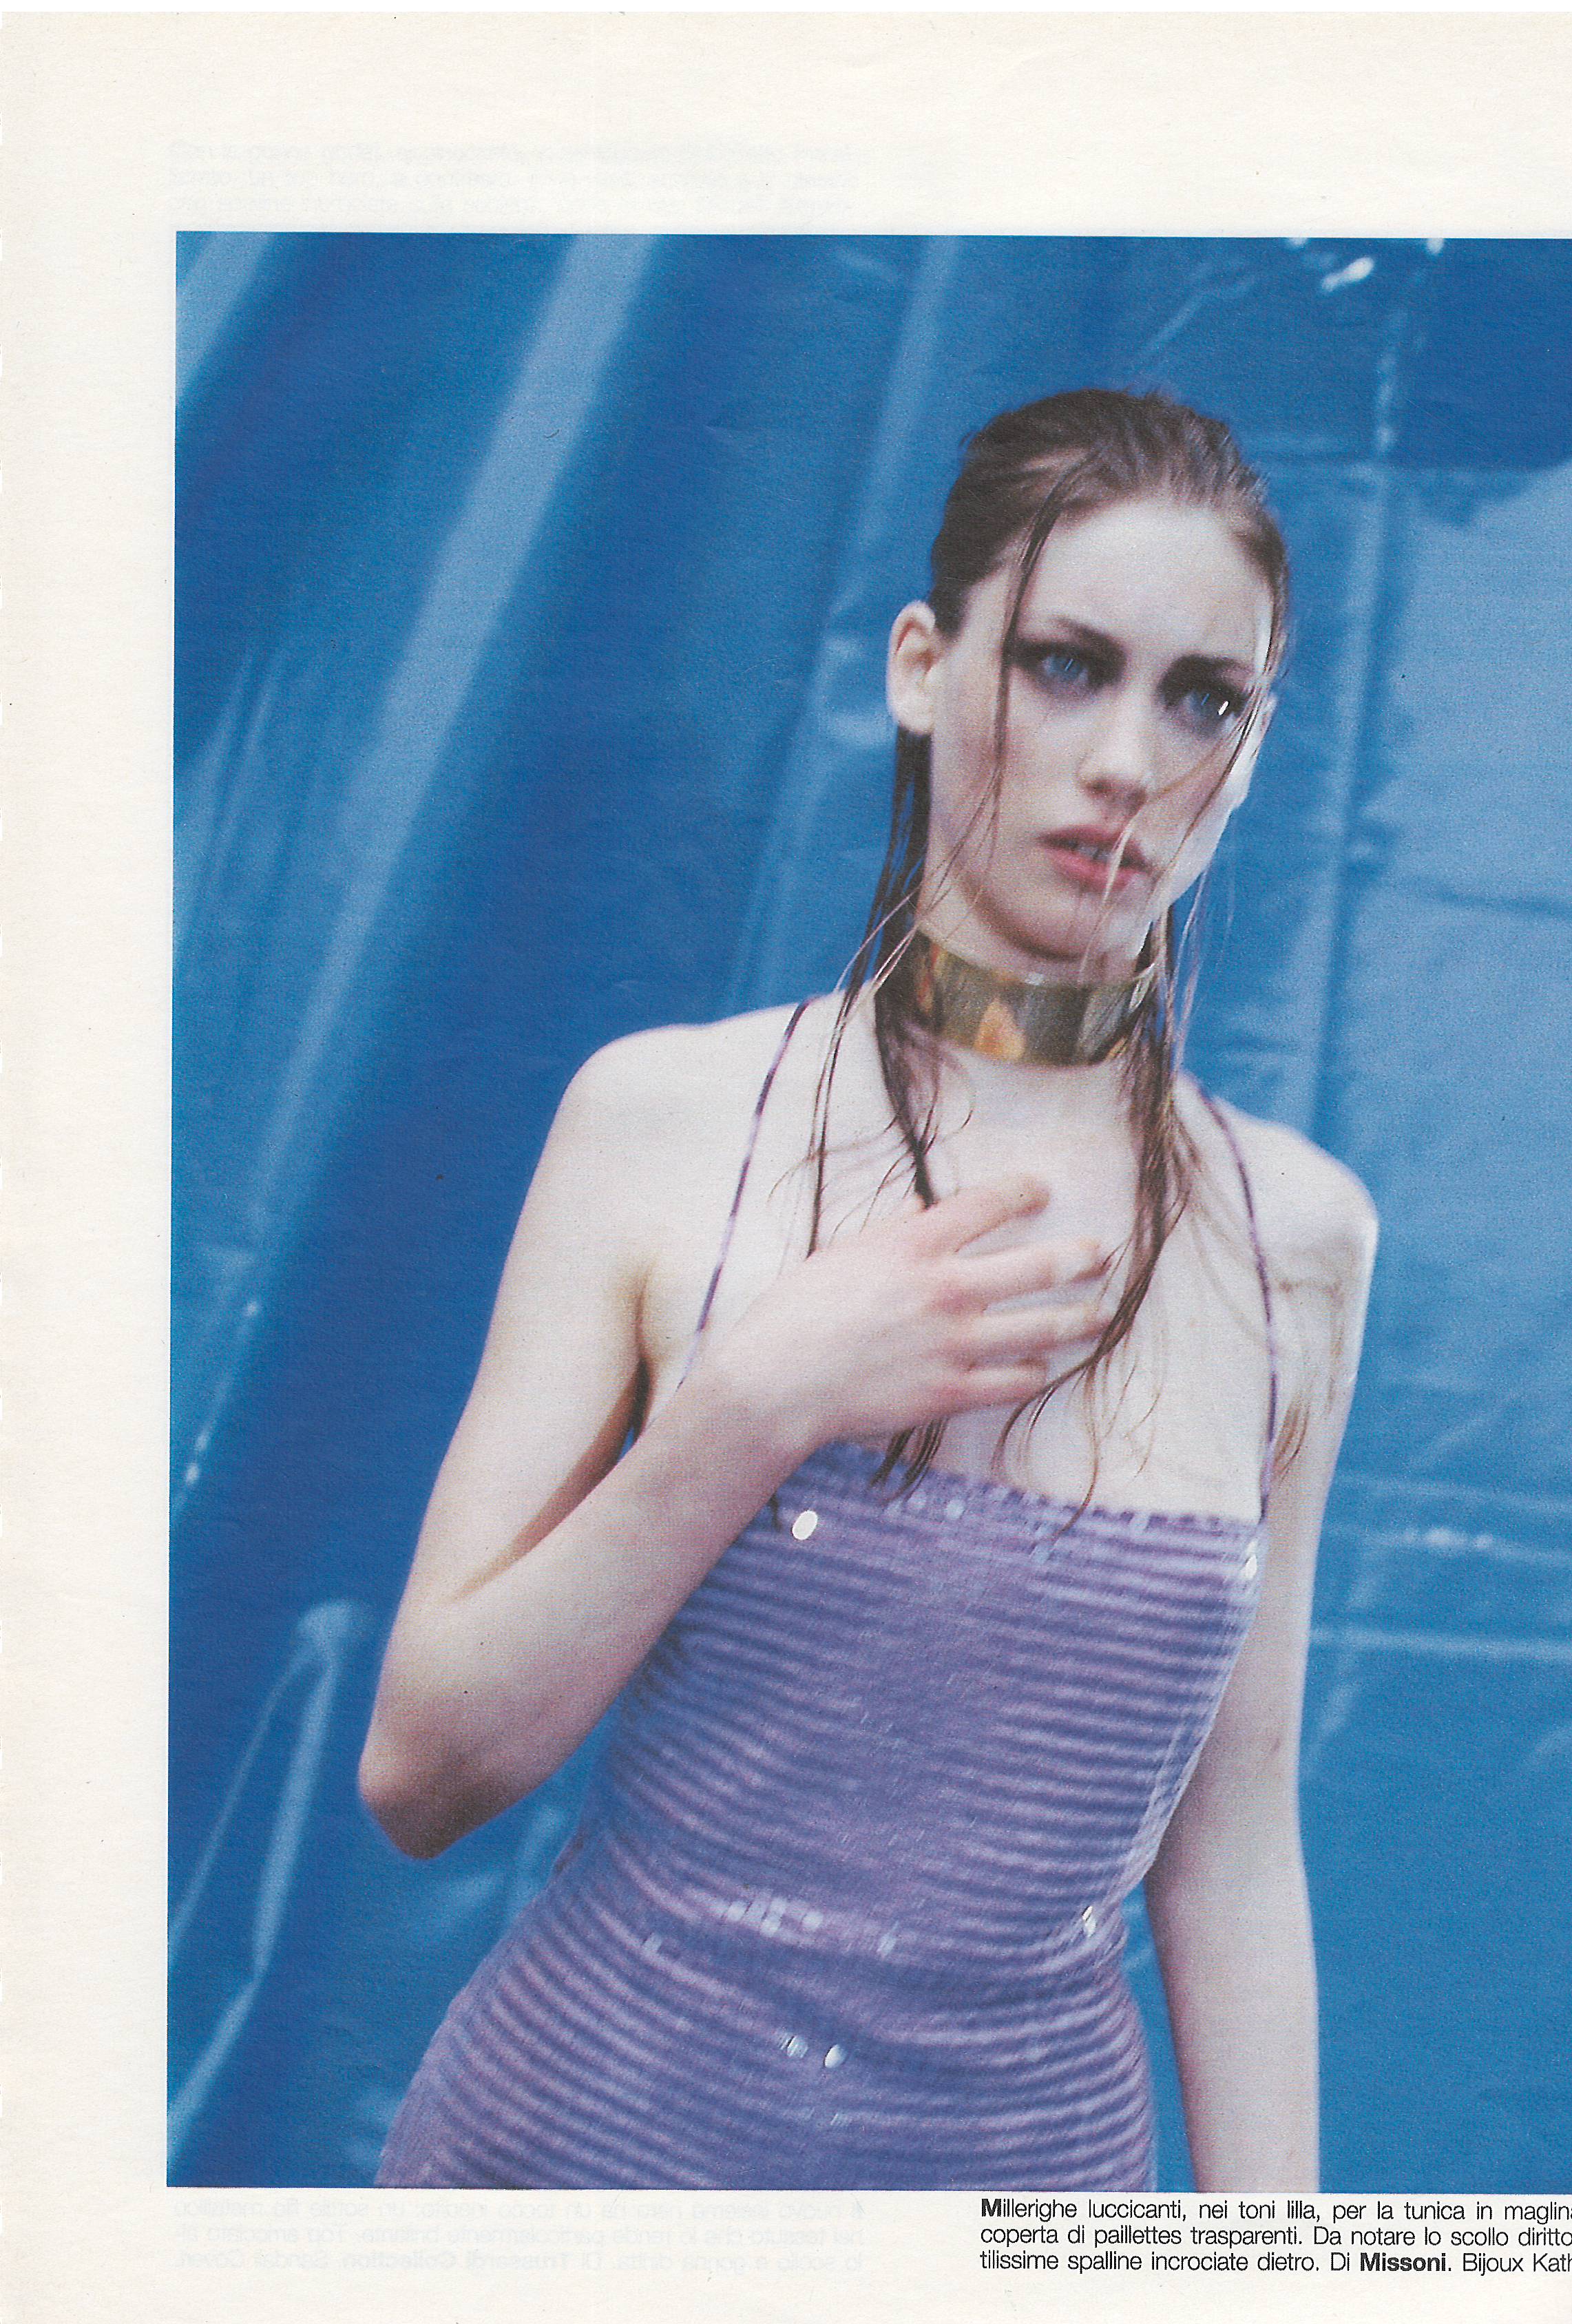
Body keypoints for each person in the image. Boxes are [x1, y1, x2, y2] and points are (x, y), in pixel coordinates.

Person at [360, 388, 1377, 2190]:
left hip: (1017, 2254)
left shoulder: (1297, 1235)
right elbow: (423, 1772)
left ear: (1254, 746)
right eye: (1066, 665)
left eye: (1202, 699)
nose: (1126, 762)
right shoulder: (663, 1120)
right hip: (565, 2204)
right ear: (922, 665)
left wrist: (1271, 2293)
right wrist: (756, 1404)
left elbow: (1229, 1848)